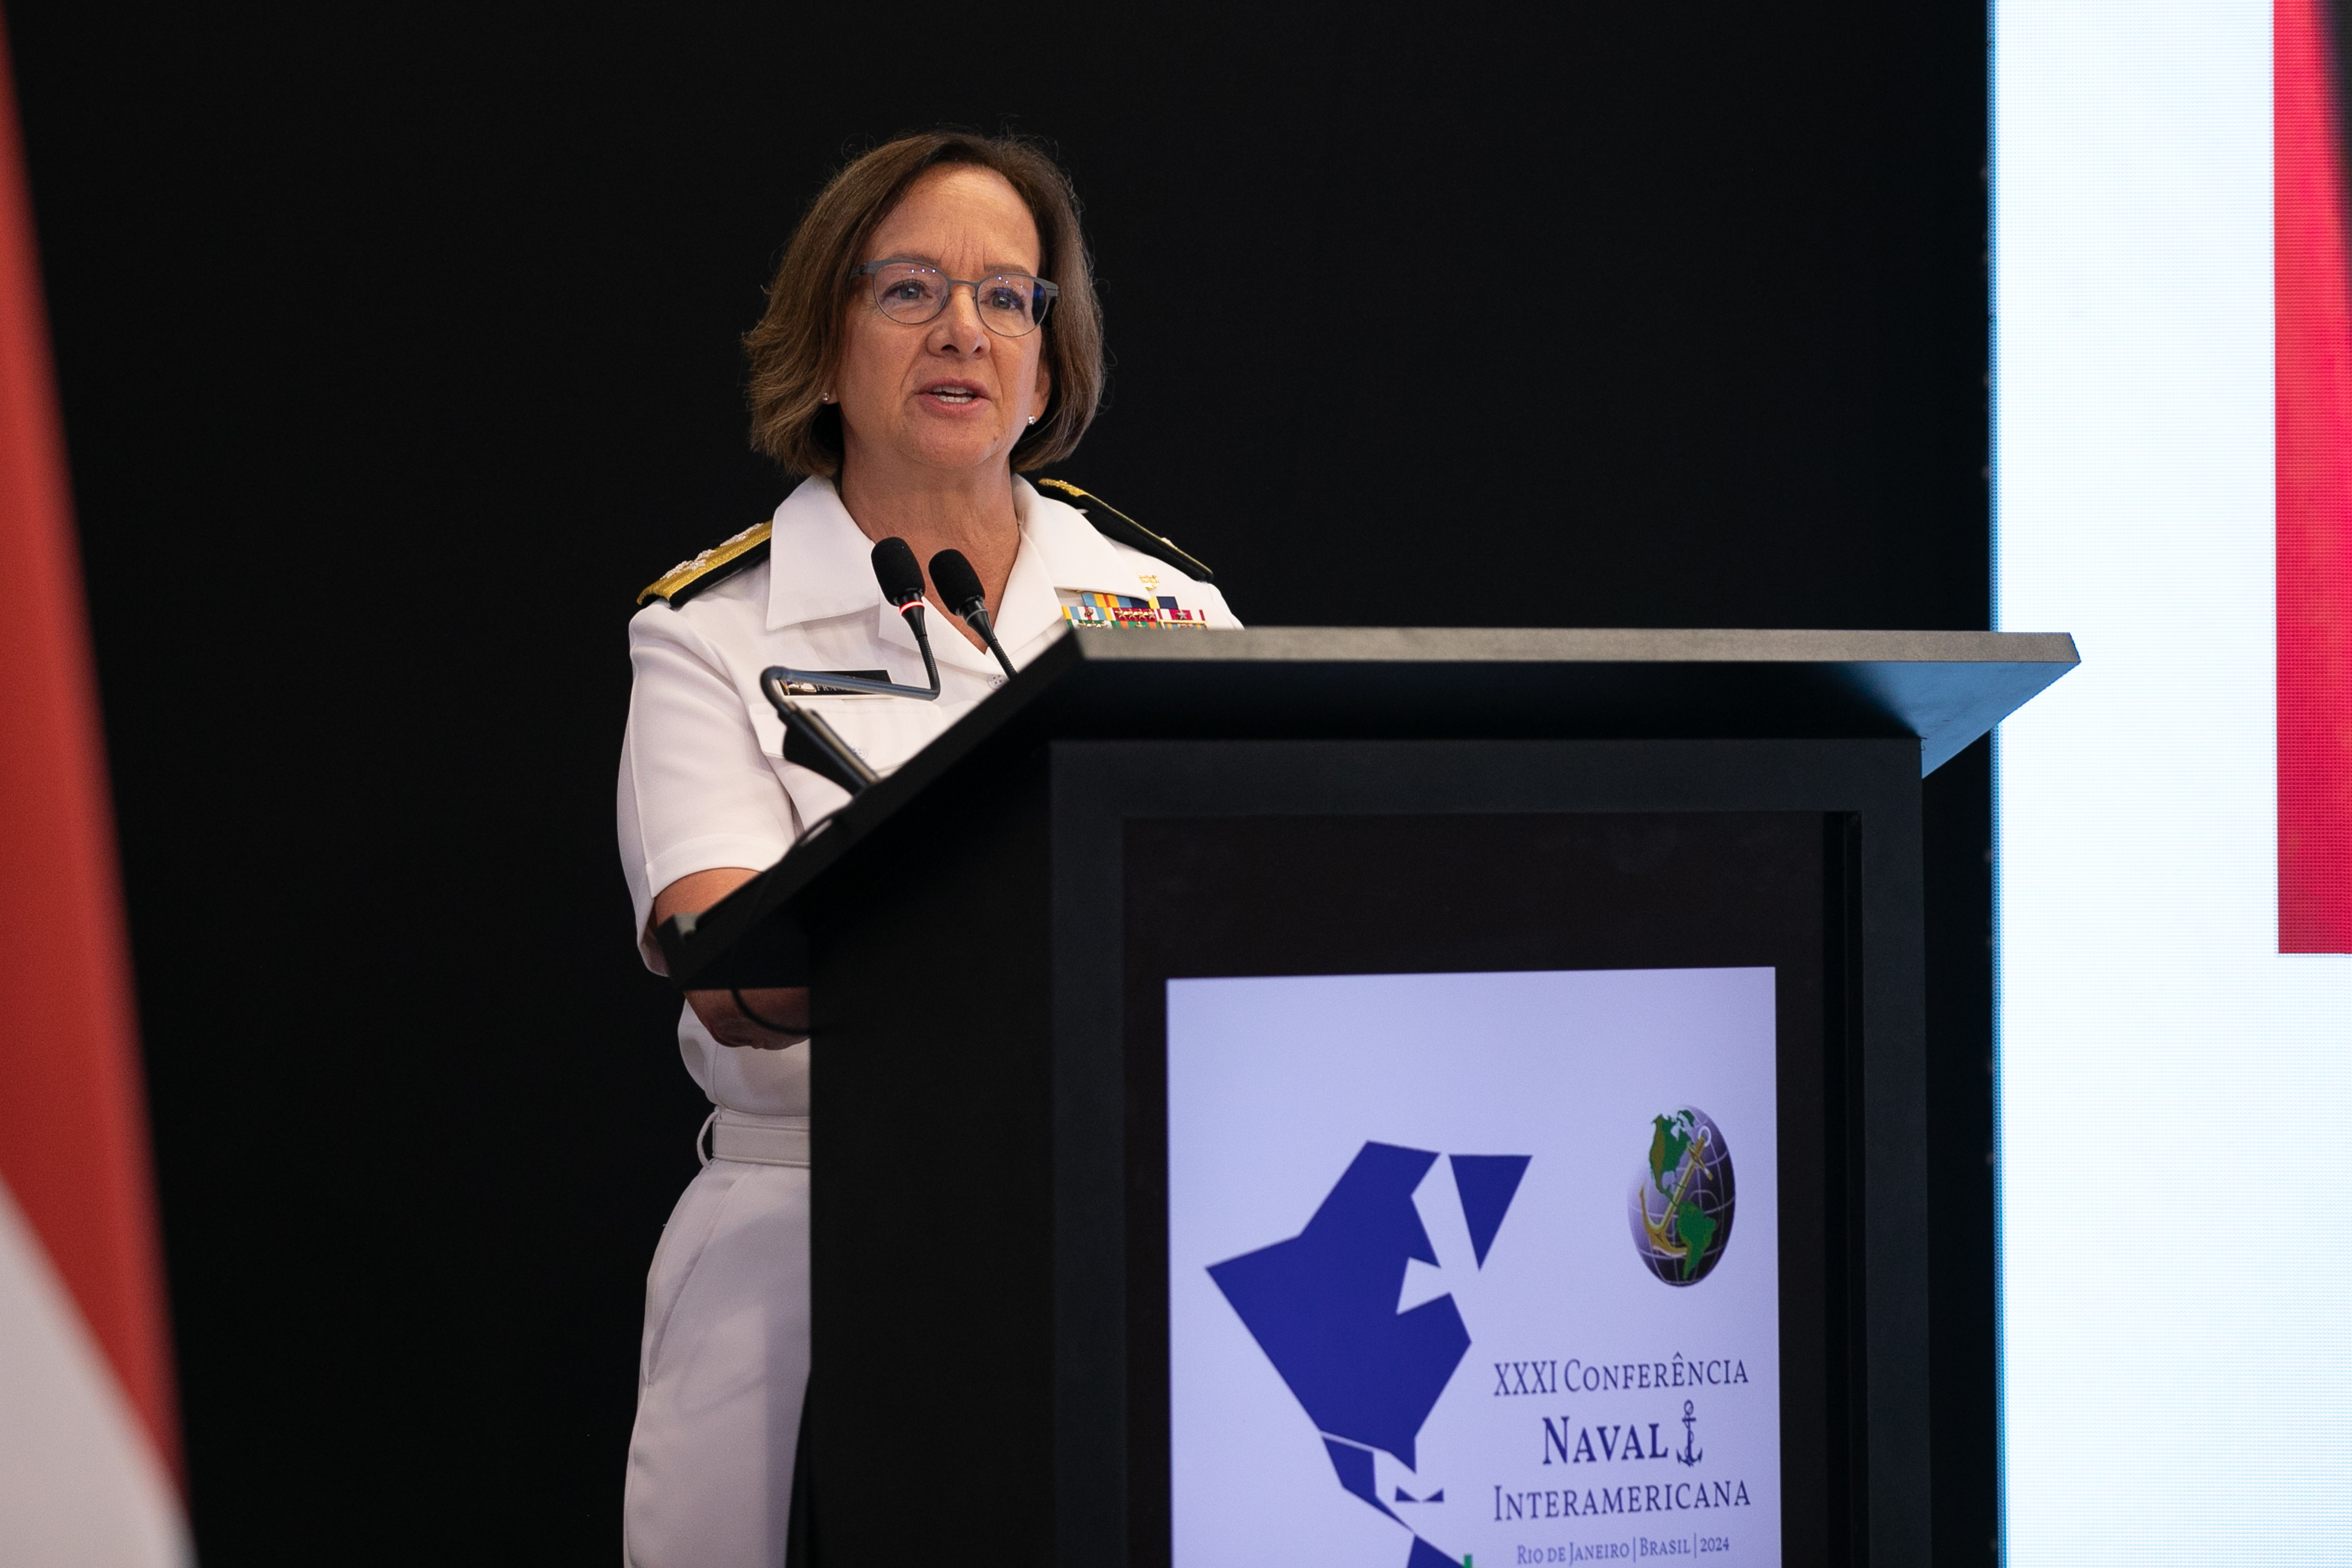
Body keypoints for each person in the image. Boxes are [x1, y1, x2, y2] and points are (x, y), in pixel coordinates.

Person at [612, 131, 1239, 1568]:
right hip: (818, 1228)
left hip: (1126, 1221)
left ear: (1047, 358)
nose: (967, 328)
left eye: (1009, 297)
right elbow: (730, 968)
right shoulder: (708, 633)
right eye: (910, 291)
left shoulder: (1165, 610)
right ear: (825, 348)